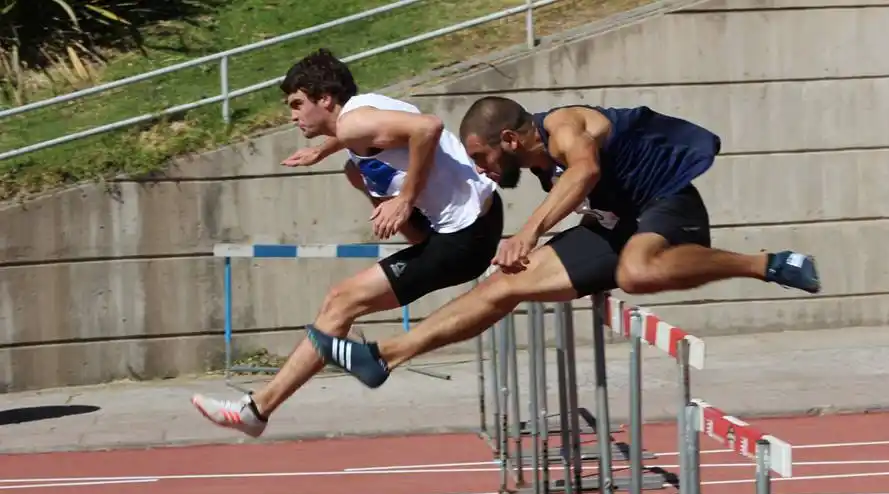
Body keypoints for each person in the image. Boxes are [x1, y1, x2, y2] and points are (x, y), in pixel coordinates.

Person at [302, 96, 821, 390]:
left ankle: (766, 263)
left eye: (481, 158)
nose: (481, 171)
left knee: (637, 273)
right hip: (613, 226)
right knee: (500, 287)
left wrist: (528, 231)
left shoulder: (565, 126)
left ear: (509, 140)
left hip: (665, 202)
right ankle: (386, 356)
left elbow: (586, 171)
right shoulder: (529, 161)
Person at [190, 49, 502, 436]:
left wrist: (404, 200)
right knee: (338, 293)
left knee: (341, 301)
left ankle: (259, 409)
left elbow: (428, 127)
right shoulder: (357, 132)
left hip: (467, 234)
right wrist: (324, 149)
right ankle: (259, 407)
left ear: (326, 99)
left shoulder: (355, 122)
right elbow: (364, 137)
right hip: (462, 228)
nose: (292, 115)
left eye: (298, 104)